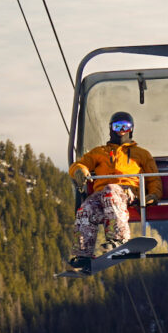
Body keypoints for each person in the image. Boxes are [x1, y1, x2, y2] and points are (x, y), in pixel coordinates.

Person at [68, 111, 162, 273]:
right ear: (111, 128)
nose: (121, 130)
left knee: (111, 190)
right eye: (117, 126)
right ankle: (83, 252)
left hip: (128, 191)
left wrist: (153, 195)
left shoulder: (141, 154)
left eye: (125, 126)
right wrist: (80, 171)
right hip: (101, 194)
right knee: (86, 208)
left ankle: (119, 238)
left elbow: (153, 178)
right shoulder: (99, 152)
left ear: (131, 129)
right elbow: (80, 164)